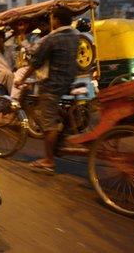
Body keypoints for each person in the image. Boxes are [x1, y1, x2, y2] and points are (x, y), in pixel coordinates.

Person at [14, 12, 79, 174]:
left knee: (48, 124)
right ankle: (65, 130)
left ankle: (49, 160)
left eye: (51, 19)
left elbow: (36, 62)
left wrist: (22, 80)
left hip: (52, 84)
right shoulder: (75, 35)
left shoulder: (52, 38)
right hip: (68, 81)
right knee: (54, 111)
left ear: (56, 20)